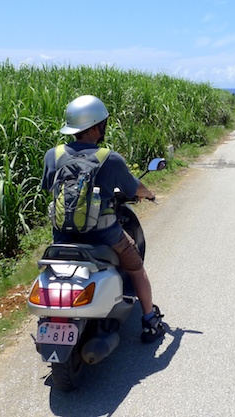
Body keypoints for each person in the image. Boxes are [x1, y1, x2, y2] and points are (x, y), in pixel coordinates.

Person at [41, 95, 166, 343]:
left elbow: (49, 187)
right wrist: (149, 195)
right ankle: (150, 320)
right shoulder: (109, 158)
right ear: (98, 126)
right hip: (106, 236)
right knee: (137, 268)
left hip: (62, 238)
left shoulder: (52, 155)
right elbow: (134, 188)